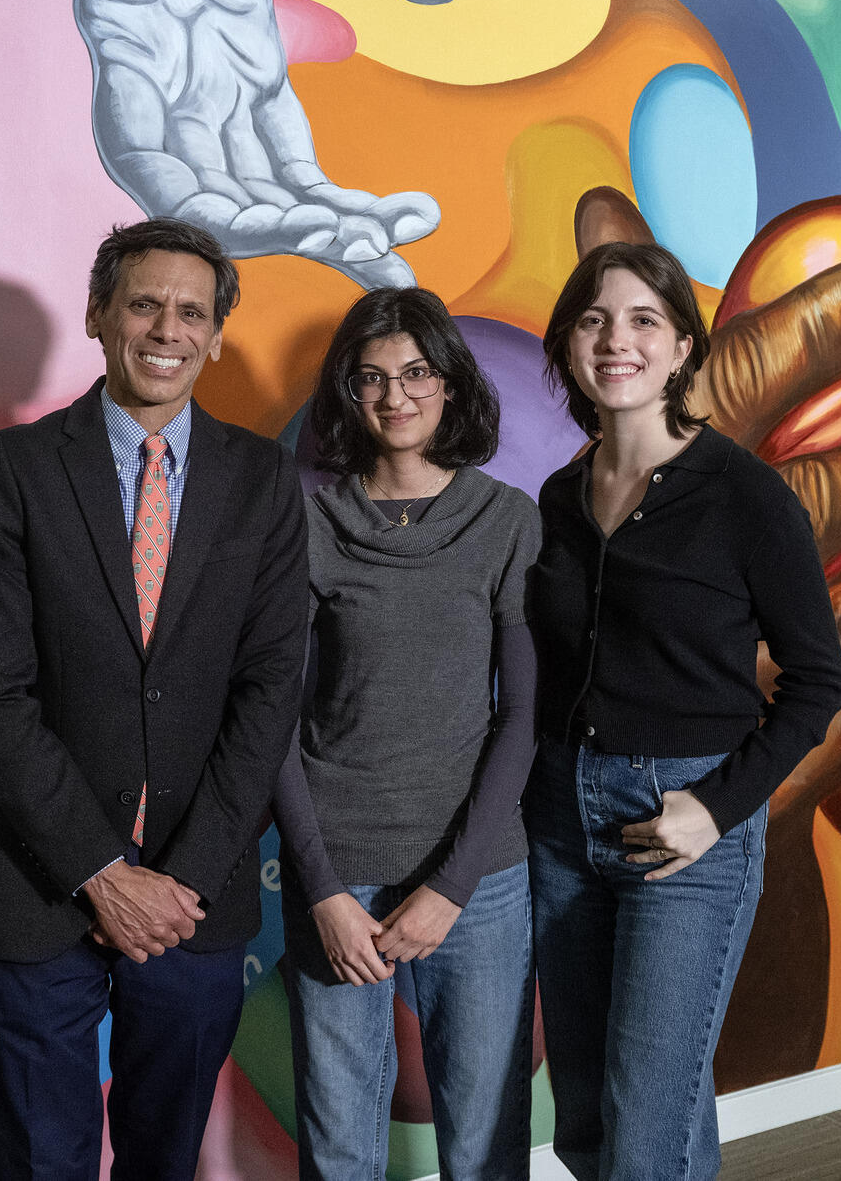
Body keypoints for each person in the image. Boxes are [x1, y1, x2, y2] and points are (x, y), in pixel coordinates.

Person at [0, 217, 310, 1181]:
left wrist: (180, 880)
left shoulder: (264, 480)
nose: (168, 328)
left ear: (218, 335)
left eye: (193, 311)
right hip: (39, 893)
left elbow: (270, 691)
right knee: (44, 1163)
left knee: (166, 1157)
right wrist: (103, 874)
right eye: (145, 303)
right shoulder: (13, 471)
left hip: (198, 899)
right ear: (100, 317)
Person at [525, 242, 841, 1180]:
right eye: (592, 320)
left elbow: (816, 683)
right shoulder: (557, 498)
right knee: (593, 1118)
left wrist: (714, 807)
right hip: (560, 818)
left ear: (680, 349)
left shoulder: (747, 497)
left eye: (641, 321)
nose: (615, 340)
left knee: (645, 1116)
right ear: (569, 349)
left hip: (685, 822)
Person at [274, 288, 542, 1181]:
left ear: (452, 386)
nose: (396, 396)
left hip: (479, 879)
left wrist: (451, 886)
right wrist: (318, 888)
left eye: (418, 373)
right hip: (337, 874)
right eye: (372, 378)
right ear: (348, 395)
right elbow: (271, 717)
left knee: (483, 1141)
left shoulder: (506, 521)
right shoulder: (308, 526)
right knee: (340, 1142)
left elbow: (522, 714)